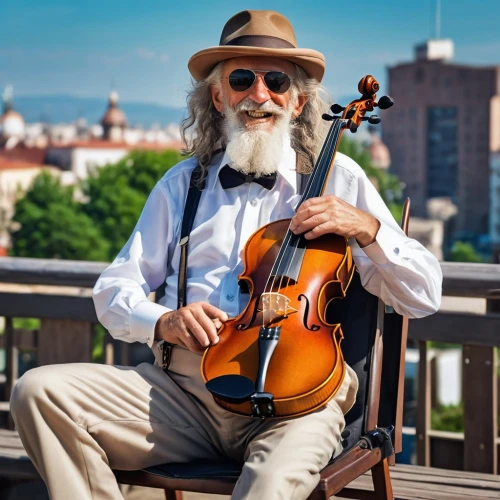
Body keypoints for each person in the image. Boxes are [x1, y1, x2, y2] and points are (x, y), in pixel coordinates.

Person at [10, 9, 442, 500]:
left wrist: (366, 229)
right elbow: (114, 289)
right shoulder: (181, 185)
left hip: (296, 403)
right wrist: (162, 321)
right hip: (183, 395)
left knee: (272, 485)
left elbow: (424, 294)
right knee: (38, 392)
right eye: (241, 79)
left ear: (298, 101)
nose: (259, 95)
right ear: (218, 97)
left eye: (276, 80)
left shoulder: (338, 180)